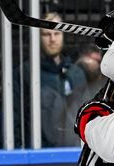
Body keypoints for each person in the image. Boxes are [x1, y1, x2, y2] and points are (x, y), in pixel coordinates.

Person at [26, 14, 88, 147]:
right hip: (41, 152)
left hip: (74, 150)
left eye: (56, 33)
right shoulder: (27, 73)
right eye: (46, 34)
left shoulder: (76, 73)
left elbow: (88, 115)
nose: (52, 39)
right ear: (38, 37)